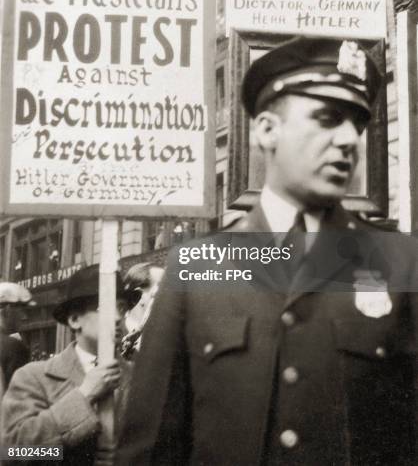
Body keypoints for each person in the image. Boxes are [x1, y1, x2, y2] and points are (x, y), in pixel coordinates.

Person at [118, 37, 418, 466]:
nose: (350, 139)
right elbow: (149, 449)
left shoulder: (400, 263)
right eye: (328, 118)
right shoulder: (197, 268)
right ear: (265, 130)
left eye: (358, 122)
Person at [1, 264, 141, 466]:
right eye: (105, 308)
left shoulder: (141, 378)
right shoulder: (33, 377)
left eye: (121, 308)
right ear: (75, 320)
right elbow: (12, 454)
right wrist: (84, 395)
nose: (118, 317)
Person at [0, 283, 33, 402]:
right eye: (22, 310)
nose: (24, 317)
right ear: (8, 310)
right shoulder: (13, 347)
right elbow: (21, 399)